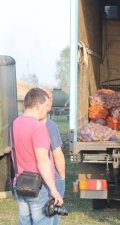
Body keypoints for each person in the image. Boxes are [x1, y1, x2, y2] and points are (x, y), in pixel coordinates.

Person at [11, 87, 63, 225]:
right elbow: (43, 161)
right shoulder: (39, 128)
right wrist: (53, 190)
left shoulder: (15, 123)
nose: (48, 109)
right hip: (38, 188)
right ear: (38, 105)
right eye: (46, 106)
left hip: (20, 184)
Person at [42, 89, 66, 225]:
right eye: (48, 98)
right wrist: (62, 177)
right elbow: (57, 155)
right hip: (52, 178)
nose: (50, 101)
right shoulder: (50, 125)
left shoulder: (20, 123)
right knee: (52, 217)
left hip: (30, 180)